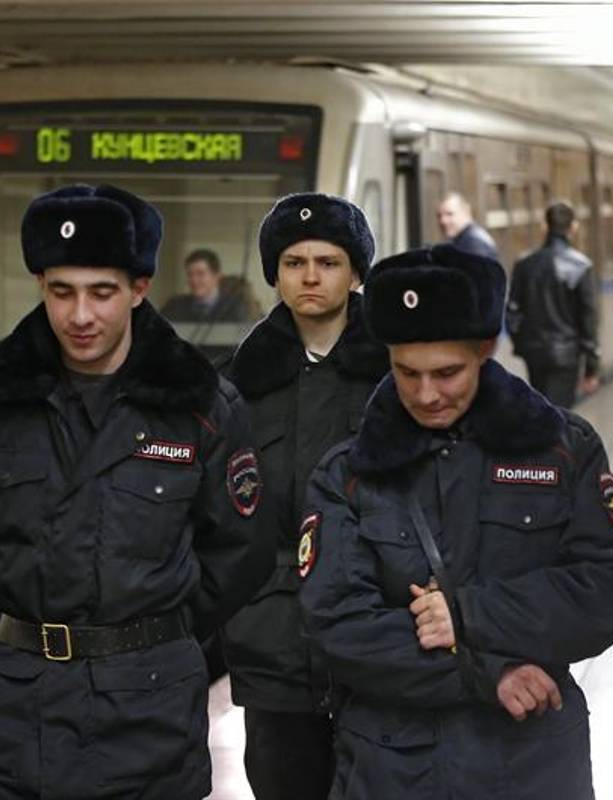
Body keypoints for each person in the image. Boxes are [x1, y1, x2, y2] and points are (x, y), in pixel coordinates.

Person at [0, 183, 271, 799]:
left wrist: (151, 632)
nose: (79, 316)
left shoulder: (200, 406)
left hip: (148, 712)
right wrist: (25, 616)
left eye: (101, 293)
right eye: (62, 292)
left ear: (139, 289)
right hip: (12, 710)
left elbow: (239, 550)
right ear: (42, 288)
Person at [298, 243, 613, 799]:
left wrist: (468, 614)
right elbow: (337, 623)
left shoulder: (563, 450)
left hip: (533, 763)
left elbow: (612, 584)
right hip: (393, 768)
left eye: (447, 373)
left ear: (485, 350)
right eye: (406, 372)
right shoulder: (347, 473)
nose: (425, 394)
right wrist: (488, 675)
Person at [221, 193, 389, 800]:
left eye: (328, 261)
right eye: (294, 263)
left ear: (355, 273)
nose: (311, 276)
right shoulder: (239, 384)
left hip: (380, 642)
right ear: (275, 274)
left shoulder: (398, 375)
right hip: (272, 647)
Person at [506, 202, 600, 408]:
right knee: (561, 415)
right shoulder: (581, 266)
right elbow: (588, 316)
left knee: (542, 410)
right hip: (567, 355)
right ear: (573, 228)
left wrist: (522, 345)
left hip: (534, 354)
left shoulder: (525, 265)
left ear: (544, 227)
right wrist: (591, 366)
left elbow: (512, 313)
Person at [160, 248, 251, 322]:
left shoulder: (236, 308)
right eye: (190, 274)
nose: (194, 280)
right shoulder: (174, 306)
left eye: (200, 274)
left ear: (217, 277)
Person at [436, 192, 501, 262]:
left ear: (466, 212)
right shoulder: (463, 239)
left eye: (449, 214)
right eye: (439, 216)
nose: (443, 221)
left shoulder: (474, 244)